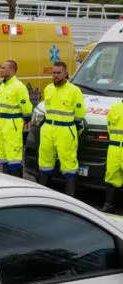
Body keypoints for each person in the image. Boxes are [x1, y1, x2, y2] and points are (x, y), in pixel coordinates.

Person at [38, 61, 86, 196]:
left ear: (66, 74)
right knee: (45, 162)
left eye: (59, 73)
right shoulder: (48, 89)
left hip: (65, 130)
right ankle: (43, 195)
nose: (56, 75)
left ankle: (69, 197)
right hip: (48, 129)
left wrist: (72, 128)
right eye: (54, 73)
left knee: (68, 164)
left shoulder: (74, 90)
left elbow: (80, 113)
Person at [0, 60, 32, 177]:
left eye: (3, 68)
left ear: (12, 70)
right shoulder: (3, 85)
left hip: (12, 125)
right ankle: (7, 181)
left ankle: (17, 182)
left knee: (14, 158)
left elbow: (26, 108)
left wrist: (22, 120)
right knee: (3, 156)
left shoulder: (19, 86)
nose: (0, 70)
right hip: (1, 124)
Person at [102, 101, 123, 212]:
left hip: (115, 146)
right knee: (111, 175)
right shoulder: (115, 107)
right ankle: (108, 205)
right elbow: (109, 124)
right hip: (114, 147)